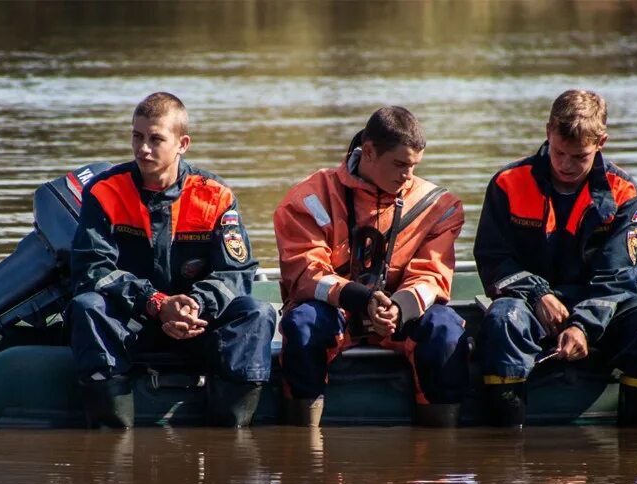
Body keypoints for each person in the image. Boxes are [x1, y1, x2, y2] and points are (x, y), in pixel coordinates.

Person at [67, 92, 276, 428]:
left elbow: (236, 272)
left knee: (257, 312)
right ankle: (112, 436)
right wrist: (154, 302)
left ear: (182, 144)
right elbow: (93, 269)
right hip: (133, 322)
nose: (142, 149)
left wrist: (195, 304)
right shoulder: (105, 191)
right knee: (87, 305)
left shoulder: (215, 195)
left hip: (198, 323)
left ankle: (232, 438)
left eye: (155, 139)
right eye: (137, 137)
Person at [474, 89, 637, 427]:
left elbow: (616, 278)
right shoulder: (508, 183)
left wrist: (582, 326)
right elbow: (493, 259)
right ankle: (505, 450)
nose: (566, 165)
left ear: (601, 142)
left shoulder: (622, 191)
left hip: (600, 305)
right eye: (558, 152)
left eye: (579, 157)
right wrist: (539, 294)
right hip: (529, 304)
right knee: (501, 320)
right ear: (547, 132)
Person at [274, 106, 468, 427]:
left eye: (414, 166)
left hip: (400, 314)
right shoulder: (309, 198)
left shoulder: (439, 206)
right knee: (302, 324)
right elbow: (305, 272)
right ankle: (303, 437)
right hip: (337, 311)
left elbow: (432, 275)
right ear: (370, 152)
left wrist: (399, 308)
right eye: (400, 164)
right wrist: (361, 299)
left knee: (445, 330)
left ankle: (438, 455)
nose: (408, 175)